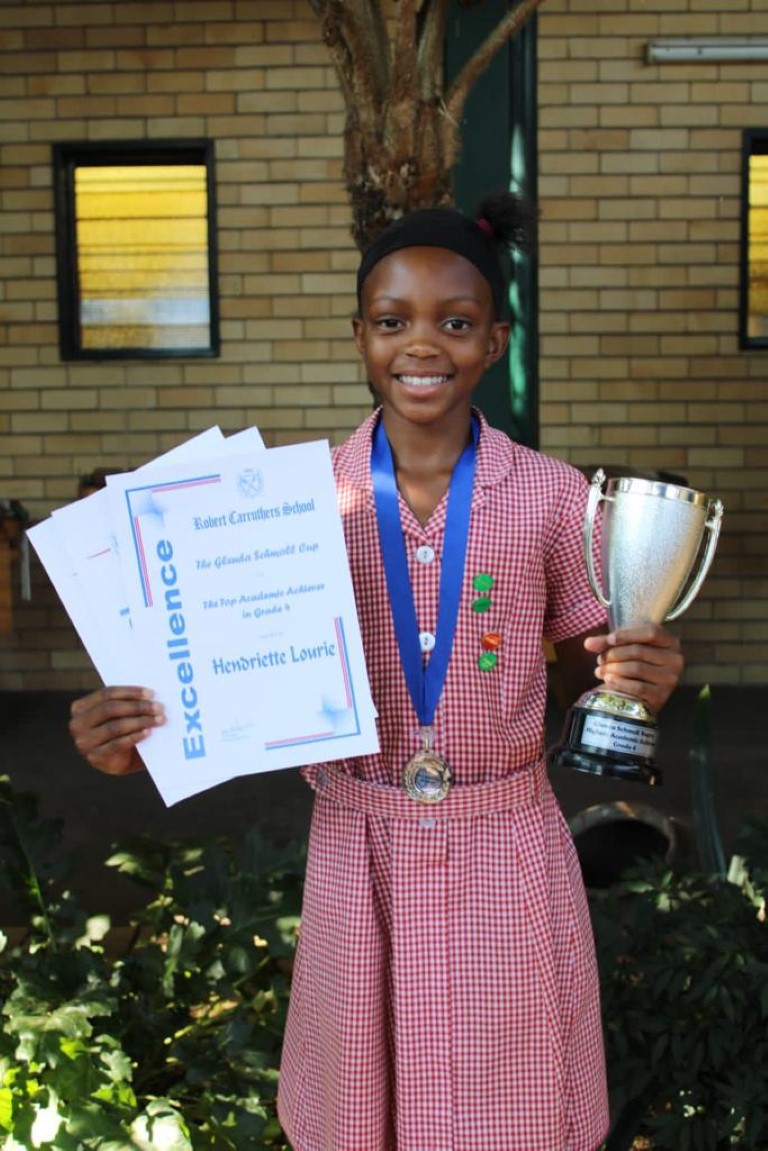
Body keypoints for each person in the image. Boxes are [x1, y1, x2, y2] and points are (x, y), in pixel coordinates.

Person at [68, 192, 684, 1151]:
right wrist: (138, 733)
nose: (422, 344)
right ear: (359, 336)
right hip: (359, 855)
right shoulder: (287, 504)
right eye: (393, 322)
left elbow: (588, 682)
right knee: (366, 1114)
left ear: (496, 341)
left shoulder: (556, 499)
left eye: (456, 322)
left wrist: (635, 679)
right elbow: (216, 675)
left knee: (514, 1110)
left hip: (505, 851)